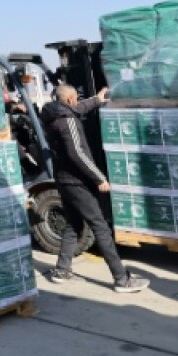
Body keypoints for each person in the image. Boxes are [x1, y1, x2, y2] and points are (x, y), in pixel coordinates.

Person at [40, 85, 149, 293]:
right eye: (75, 98)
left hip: (63, 180)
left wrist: (97, 99)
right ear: (70, 99)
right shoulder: (68, 121)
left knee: (74, 224)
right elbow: (77, 154)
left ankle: (62, 269)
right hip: (77, 181)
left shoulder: (55, 115)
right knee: (99, 226)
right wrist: (99, 177)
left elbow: (78, 108)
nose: (77, 102)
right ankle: (121, 279)